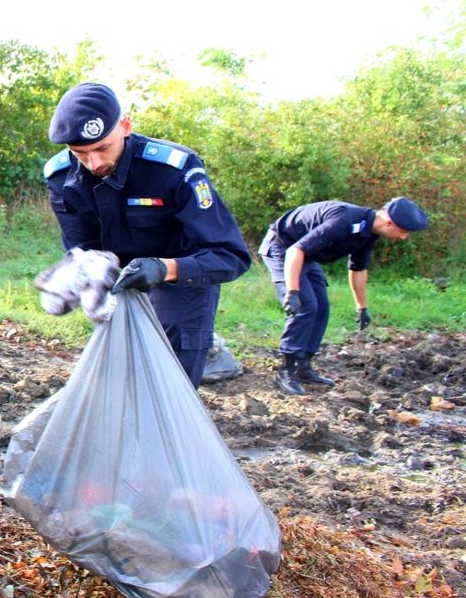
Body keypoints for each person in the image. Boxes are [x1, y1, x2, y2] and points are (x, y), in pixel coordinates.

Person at [42, 82, 251, 388]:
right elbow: (82, 246)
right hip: (122, 280)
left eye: (102, 148)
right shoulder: (61, 176)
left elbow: (230, 255)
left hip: (182, 278)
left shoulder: (173, 168)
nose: (94, 164)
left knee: (171, 378)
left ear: (125, 126)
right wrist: (81, 272)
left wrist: (163, 268)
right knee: (118, 374)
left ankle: (208, 354)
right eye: (81, 153)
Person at [258, 197, 428, 396]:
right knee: (306, 306)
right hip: (283, 248)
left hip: (307, 255)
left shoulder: (368, 233)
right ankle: (287, 369)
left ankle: (303, 366)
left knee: (322, 308)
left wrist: (361, 307)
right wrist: (293, 292)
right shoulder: (344, 219)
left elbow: (358, 269)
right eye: (404, 231)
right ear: (389, 222)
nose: (404, 237)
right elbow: (296, 249)